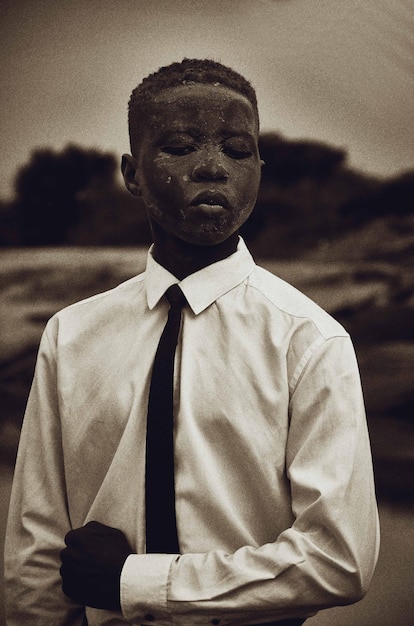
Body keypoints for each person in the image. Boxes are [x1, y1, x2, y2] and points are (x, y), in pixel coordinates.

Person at [4, 58, 379, 626]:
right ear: (132, 173)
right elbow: (36, 550)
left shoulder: (311, 341)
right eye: (180, 147)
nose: (212, 168)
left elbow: (340, 558)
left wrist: (137, 583)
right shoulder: (71, 335)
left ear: (259, 168)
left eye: (236, 149)